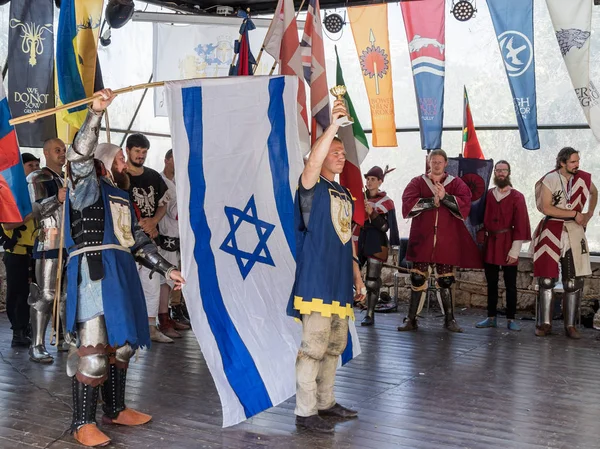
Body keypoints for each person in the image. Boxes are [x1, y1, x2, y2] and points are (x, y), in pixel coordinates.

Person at [63, 89, 185, 447]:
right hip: (95, 273)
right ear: (102, 163)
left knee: (122, 347)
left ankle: (115, 409)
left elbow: (138, 241)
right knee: (95, 354)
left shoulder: (121, 196)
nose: (124, 164)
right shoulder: (86, 187)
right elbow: (81, 155)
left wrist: (166, 270)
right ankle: (82, 422)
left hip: (121, 273)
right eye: (118, 159)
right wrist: (95, 114)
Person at [287, 99, 366, 434]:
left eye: (341, 151)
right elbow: (311, 166)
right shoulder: (311, 186)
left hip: (339, 283)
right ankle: (305, 412)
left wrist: (358, 278)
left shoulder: (345, 194)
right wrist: (333, 126)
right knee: (314, 347)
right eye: (333, 151)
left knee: (336, 346)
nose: (340, 154)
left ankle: (325, 402)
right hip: (316, 281)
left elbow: (346, 241)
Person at [398, 149, 482, 333]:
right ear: (429, 162)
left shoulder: (456, 183)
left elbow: (465, 205)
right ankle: (411, 319)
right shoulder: (417, 182)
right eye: (433, 161)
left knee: (445, 280)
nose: (436, 164)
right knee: (418, 277)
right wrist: (430, 201)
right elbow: (407, 203)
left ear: (445, 164)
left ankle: (449, 320)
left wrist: (445, 197)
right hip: (422, 239)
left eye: (439, 161)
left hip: (446, 240)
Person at [532, 147, 597, 339]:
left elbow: (594, 192)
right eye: (573, 162)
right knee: (546, 279)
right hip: (551, 229)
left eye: (578, 161)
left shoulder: (583, 178)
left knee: (572, 282)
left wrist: (589, 214)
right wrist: (575, 213)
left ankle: (570, 325)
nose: (577, 165)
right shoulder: (550, 179)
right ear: (562, 162)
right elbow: (546, 207)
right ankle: (545, 324)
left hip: (574, 232)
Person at [126, 133, 172, 342]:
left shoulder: (154, 176)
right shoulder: (119, 176)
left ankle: (151, 326)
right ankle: (127, 327)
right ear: (128, 150)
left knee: (152, 283)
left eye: (144, 152)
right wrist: (139, 226)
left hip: (151, 238)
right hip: (127, 239)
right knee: (128, 282)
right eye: (137, 151)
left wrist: (153, 222)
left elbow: (163, 204)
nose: (141, 156)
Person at [476, 160, 531, 331]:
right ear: (494, 173)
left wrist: (515, 250)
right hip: (491, 243)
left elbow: (521, 225)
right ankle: (491, 317)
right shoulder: (488, 195)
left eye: (504, 170)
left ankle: (510, 318)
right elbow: (479, 219)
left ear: (509, 172)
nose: (501, 173)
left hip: (508, 242)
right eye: (498, 170)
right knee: (491, 283)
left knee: (510, 284)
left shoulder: (517, 197)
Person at [27, 139, 68, 363]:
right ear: (46, 153)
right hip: (48, 239)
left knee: (66, 294)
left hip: (70, 241)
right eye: (57, 150)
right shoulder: (37, 177)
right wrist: (57, 198)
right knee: (46, 294)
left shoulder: (67, 177)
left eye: (63, 150)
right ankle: (37, 344)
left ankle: (65, 337)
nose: (62, 154)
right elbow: (35, 210)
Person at [0, 153, 40, 347]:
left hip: (35, 250)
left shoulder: (38, 190)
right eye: (30, 165)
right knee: (17, 293)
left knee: (34, 293)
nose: (35, 168)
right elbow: (8, 224)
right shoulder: (9, 192)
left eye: (37, 165)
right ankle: (18, 330)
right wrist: (31, 213)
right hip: (16, 251)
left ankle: (28, 328)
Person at [358, 165, 400, 326]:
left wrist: (372, 213)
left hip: (376, 241)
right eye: (367, 179)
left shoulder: (386, 202)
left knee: (372, 281)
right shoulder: (358, 197)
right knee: (348, 274)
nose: (369, 182)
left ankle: (370, 314)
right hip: (359, 238)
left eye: (373, 179)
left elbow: (384, 227)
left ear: (380, 182)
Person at [157, 149, 189, 337]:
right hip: (166, 237)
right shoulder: (162, 182)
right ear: (167, 160)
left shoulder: (179, 182)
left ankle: (169, 314)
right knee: (165, 281)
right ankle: (162, 318)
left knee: (171, 282)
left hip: (178, 238)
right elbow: (174, 212)